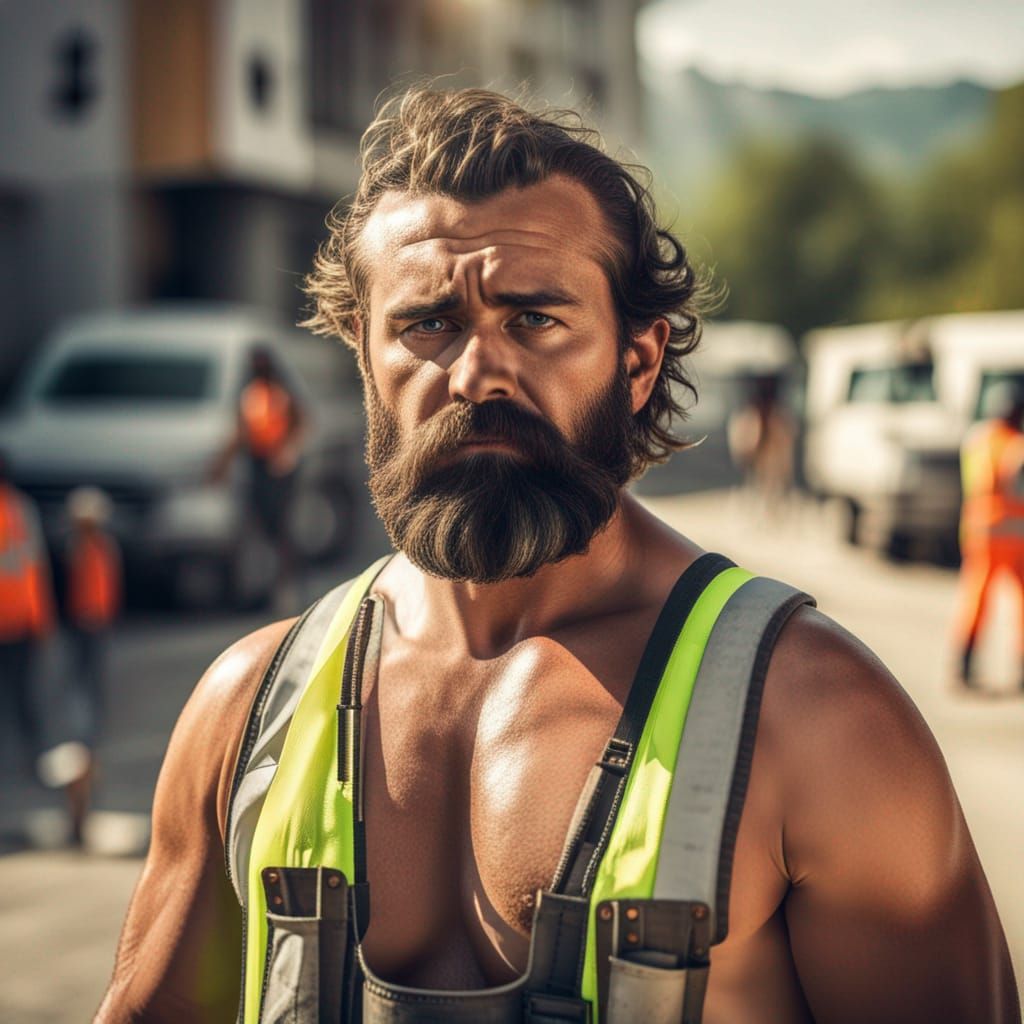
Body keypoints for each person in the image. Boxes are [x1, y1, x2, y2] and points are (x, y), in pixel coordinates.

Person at [96, 88, 1018, 1024]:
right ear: (365, 357)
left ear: (638, 361)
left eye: (534, 320)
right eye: (427, 325)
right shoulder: (247, 712)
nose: (475, 373)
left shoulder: (818, 719)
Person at [211, 347, 307, 607]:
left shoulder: (282, 393)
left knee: (281, 526)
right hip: (257, 464)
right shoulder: (248, 395)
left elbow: (300, 424)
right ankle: (260, 585)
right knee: (258, 525)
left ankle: (287, 586)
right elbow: (239, 433)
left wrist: (287, 451)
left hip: (281, 466)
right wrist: (221, 465)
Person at [954, 381, 1024, 689]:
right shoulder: (1016, 445)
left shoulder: (977, 440)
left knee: (977, 599)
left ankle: (964, 663)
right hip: (1014, 536)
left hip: (979, 531)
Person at [0, 449, 55, 768]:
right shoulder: (22, 508)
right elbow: (36, 564)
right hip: (22, 617)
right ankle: (31, 757)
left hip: (12, 619)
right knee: (25, 694)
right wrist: (42, 617)